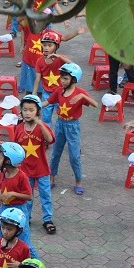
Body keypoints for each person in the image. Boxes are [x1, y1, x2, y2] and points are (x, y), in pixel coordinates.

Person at [46, 63, 97, 195]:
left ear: (74, 79)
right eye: (62, 78)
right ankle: (52, 178)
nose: (62, 81)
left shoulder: (80, 93)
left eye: (66, 78)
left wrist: (83, 97)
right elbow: (47, 102)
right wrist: (33, 105)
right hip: (59, 124)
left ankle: (78, 182)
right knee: (55, 153)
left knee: (74, 156)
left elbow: (95, 104)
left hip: (73, 126)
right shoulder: (58, 91)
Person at [16, 94, 55, 234]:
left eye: (31, 110)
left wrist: (40, 124)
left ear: (38, 111)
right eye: (25, 110)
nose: (28, 113)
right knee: (27, 196)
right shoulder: (19, 128)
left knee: (46, 195)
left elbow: (50, 139)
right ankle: (26, 218)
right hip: (25, 170)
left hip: (42, 169)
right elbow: (15, 148)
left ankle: (48, 220)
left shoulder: (41, 126)